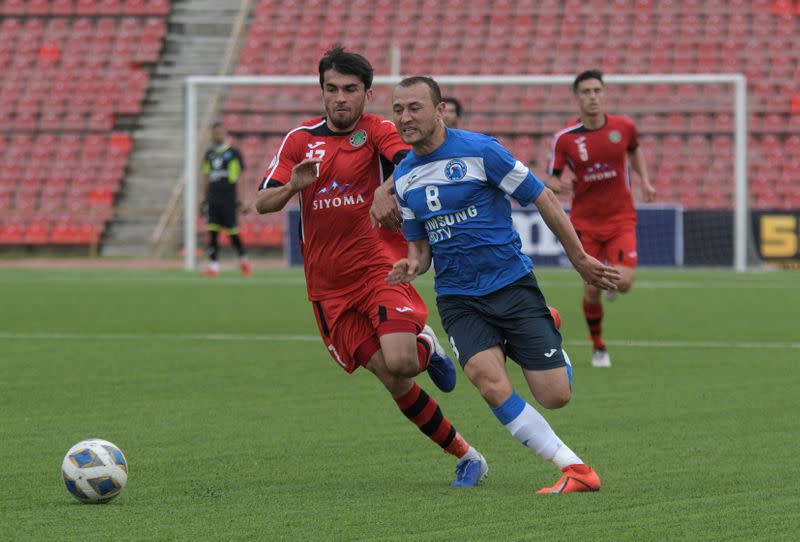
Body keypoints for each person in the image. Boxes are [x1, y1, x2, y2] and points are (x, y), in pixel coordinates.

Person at [254, 46, 488, 487]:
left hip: (378, 268)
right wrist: (292, 188)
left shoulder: (379, 129)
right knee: (392, 379)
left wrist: (384, 190)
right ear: (321, 91)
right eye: (332, 89)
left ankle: (425, 345)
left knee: (401, 360)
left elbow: (412, 161)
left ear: (366, 93)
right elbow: (262, 202)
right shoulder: (300, 141)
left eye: (350, 90)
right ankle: (467, 455)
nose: (340, 98)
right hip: (327, 289)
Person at [382, 75, 620, 493]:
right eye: (398, 109)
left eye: (414, 108)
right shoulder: (403, 178)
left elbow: (542, 196)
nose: (405, 117)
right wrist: (411, 266)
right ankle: (575, 469)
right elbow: (421, 252)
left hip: (510, 285)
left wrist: (579, 257)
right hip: (457, 297)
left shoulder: (481, 151)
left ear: (439, 111)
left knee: (554, 396)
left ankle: (547, 323)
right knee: (487, 382)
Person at [545, 69, 656, 368]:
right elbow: (551, 179)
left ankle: (612, 285)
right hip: (585, 223)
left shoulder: (624, 127)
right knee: (592, 288)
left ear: (604, 94)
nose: (592, 97)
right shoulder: (565, 138)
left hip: (621, 217)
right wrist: (559, 184)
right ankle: (598, 347)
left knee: (625, 282)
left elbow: (634, 152)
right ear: (577, 97)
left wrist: (644, 181)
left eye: (597, 91)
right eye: (586, 92)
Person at [200, 122, 251, 277]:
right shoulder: (209, 154)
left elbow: (242, 176)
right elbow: (206, 177)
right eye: (215, 133)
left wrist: (244, 199)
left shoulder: (233, 153)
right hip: (213, 198)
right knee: (212, 231)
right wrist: (203, 199)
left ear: (225, 134)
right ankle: (213, 266)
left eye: (220, 133)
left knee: (233, 232)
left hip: (228, 198)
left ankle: (244, 260)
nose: (217, 136)